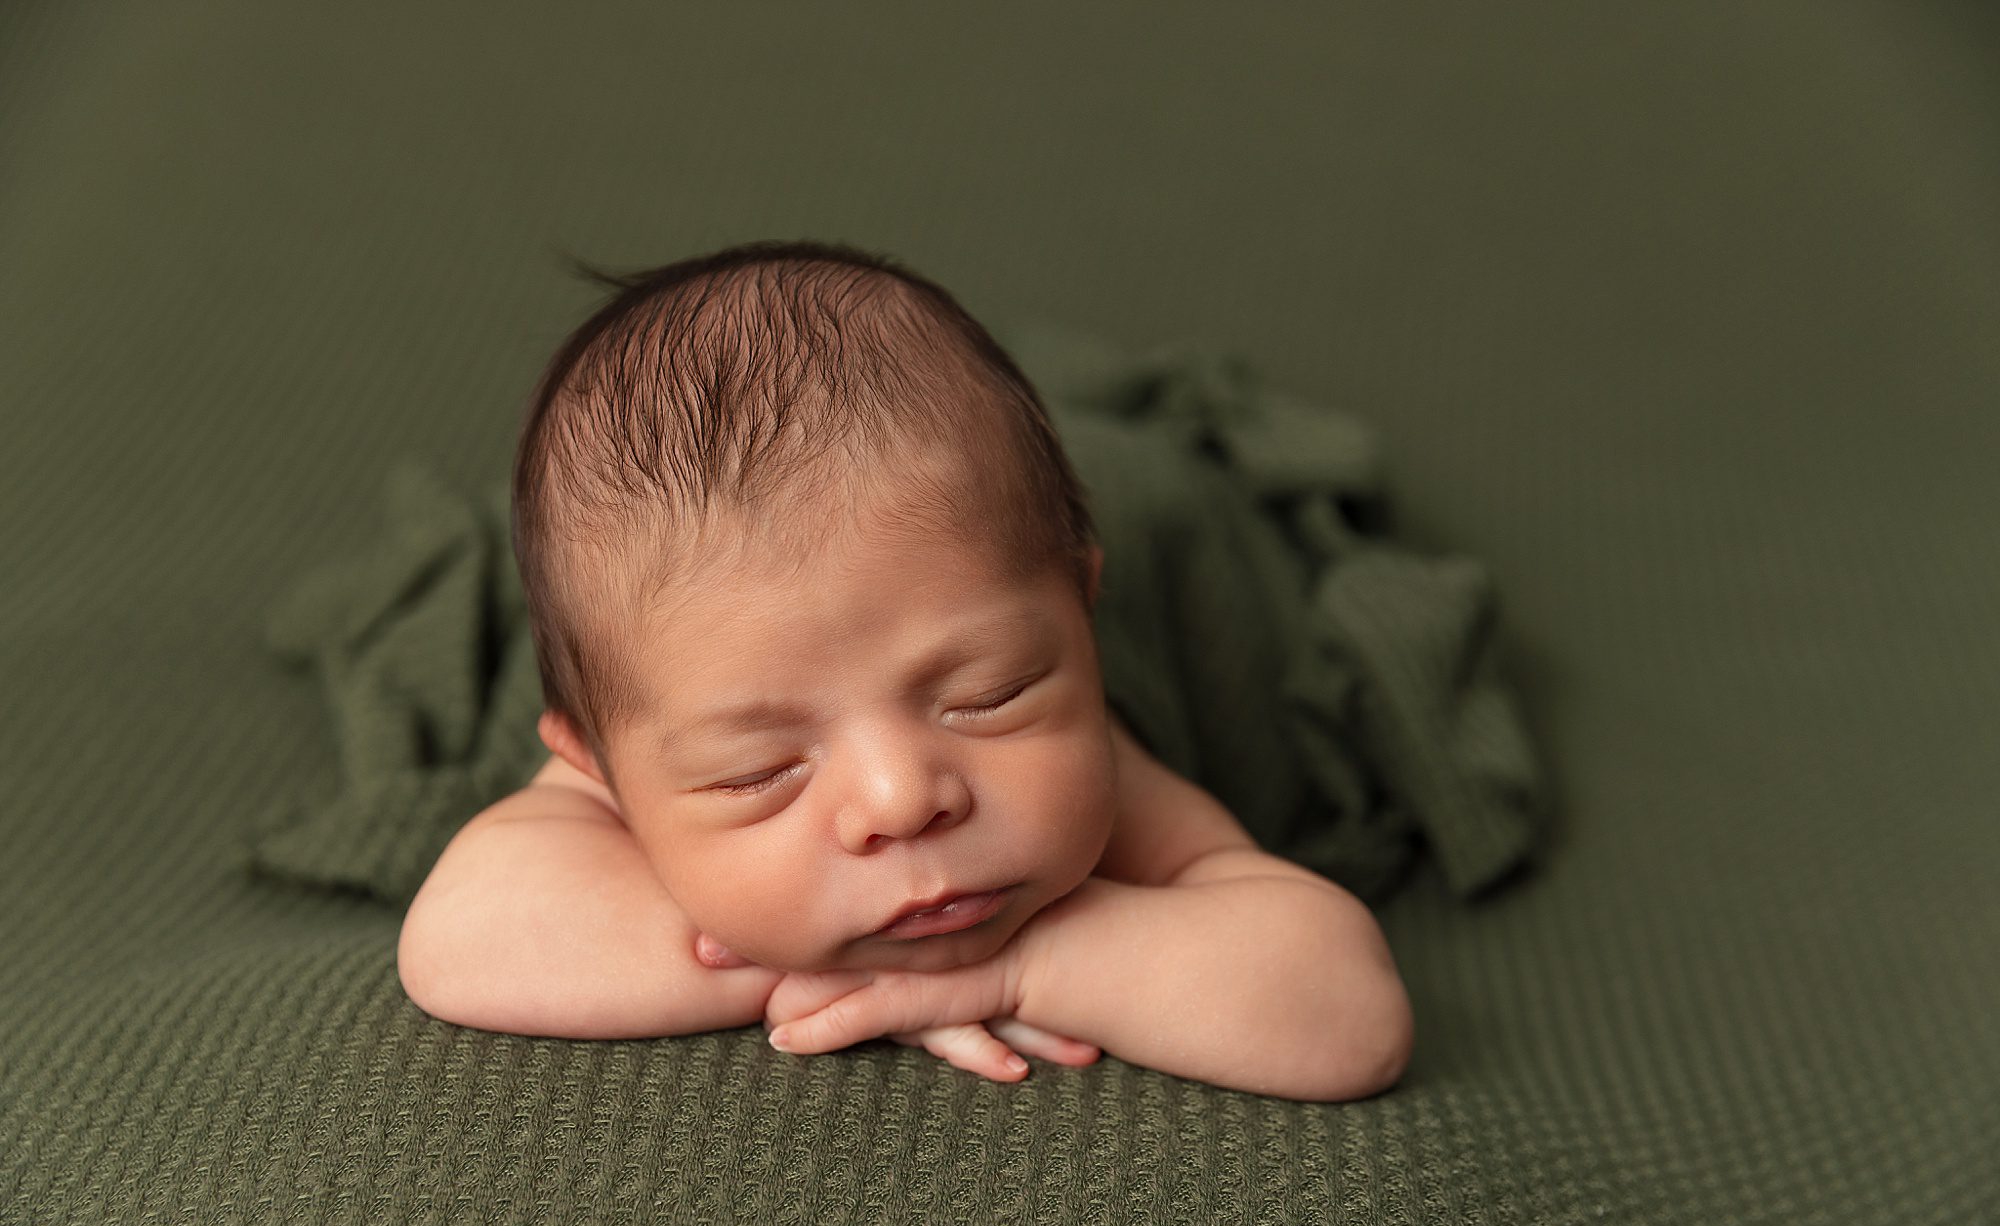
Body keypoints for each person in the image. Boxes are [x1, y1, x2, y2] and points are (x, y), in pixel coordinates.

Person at [395, 239, 1413, 1101]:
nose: (901, 797)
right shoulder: (663, 699)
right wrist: (796, 959)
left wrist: (1024, 965)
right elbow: (459, 937)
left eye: (987, 694)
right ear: (597, 765)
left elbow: (1345, 1011)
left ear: (1081, 619)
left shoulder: (1103, 753)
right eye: (759, 772)